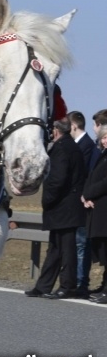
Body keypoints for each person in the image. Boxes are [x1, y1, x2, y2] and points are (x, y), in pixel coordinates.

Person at [24, 118, 86, 299]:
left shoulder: (62, 149)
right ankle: (43, 285)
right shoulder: (70, 147)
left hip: (63, 207)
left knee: (66, 250)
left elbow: (57, 180)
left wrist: (47, 200)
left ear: (56, 131)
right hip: (66, 207)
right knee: (56, 248)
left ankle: (68, 286)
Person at [67, 110, 95, 297]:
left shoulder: (85, 146)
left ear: (74, 126)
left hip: (82, 204)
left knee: (81, 244)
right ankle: (75, 282)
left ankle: (80, 283)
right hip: (74, 205)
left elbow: (81, 175)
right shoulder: (81, 145)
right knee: (77, 245)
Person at [82, 124, 107, 304]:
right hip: (99, 209)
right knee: (103, 250)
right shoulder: (103, 155)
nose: (105, 141)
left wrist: (89, 193)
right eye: (103, 137)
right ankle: (104, 287)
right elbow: (92, 178)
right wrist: (85, 195)